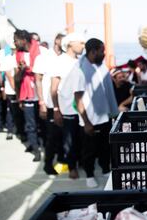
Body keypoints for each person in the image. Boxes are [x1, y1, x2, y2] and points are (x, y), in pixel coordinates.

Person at [71, 38, 118, 188]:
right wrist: (86, 122)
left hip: (104, 115)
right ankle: (89, 175)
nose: (104, 54)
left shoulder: (101, 66)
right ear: (93, 52)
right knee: (89, 150)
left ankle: (105, 168)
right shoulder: (80, 70)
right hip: (90, 118)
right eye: (102, 51)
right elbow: (78, 98)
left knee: (105, 146)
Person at [50, 32, 85, 179]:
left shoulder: (81, 61)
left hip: (82, 109)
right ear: (70, 44)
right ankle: (72, 166)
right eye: (81, 43)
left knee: (81, 139)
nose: (83, 46)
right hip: (67, 109)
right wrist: (56, 109)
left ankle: (81, 162)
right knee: (69, 141)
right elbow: (53, 88)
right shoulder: (60, 61)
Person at [33, 33, 65, 175]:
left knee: (64, 134)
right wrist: (41, 103)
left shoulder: (66, 58)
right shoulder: (43, 57)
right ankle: (48, 164)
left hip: (66, 104)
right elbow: (38, 80)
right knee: (52, 135)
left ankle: (63, 161)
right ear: (57, 40)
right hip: (50, 103)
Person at [14, 30, 42, 161]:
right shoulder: (18, 54)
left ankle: (42, 144)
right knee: (30, 123)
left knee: (42, 123)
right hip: (27, 93)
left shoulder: (38, 50)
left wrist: (29, 68)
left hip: (40, 91)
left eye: (16, 40)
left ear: (23, 40)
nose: (14, 43)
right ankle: (36, 149)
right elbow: (17, 78)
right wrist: (22, 70)